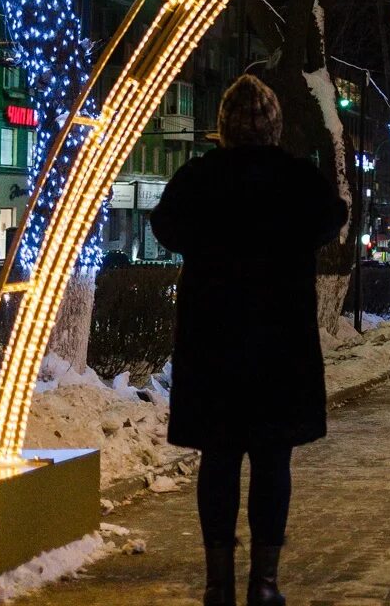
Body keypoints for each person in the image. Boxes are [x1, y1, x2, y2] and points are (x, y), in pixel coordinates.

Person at [151, 75, 347, 606]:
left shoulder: (198, 178)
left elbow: (164, 228)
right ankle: (265, 582)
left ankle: (218, 584)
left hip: (213, 348)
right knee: (271, 462)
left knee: (217, 461)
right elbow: (334, 218)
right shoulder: (297, 180)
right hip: (280, 352)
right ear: (275, 127)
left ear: (223, 129)